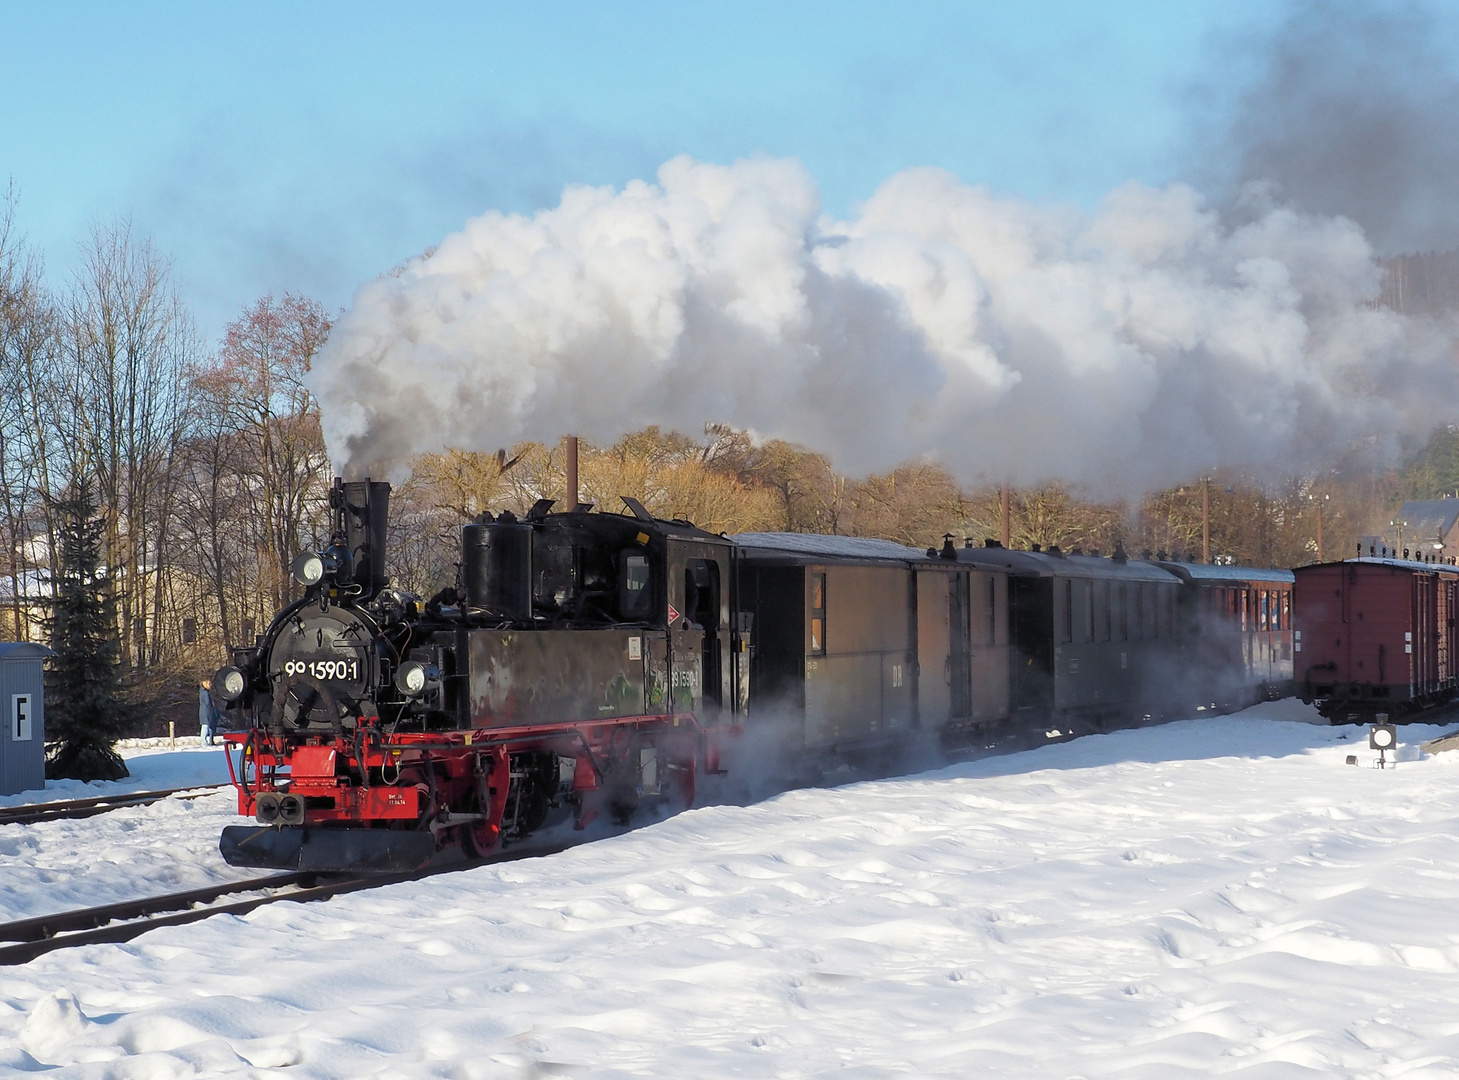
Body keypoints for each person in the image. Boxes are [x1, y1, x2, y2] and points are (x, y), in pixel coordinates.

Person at [199, 679, 220, 746]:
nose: (210, 685)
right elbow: (208, 703)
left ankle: (210, 740)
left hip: (206, 711)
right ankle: (204, 742)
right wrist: (212, 706)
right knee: (206, 725)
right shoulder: (205, 693)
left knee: (210, 725)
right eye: (209, 684)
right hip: (207, 712)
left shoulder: (203, 692)